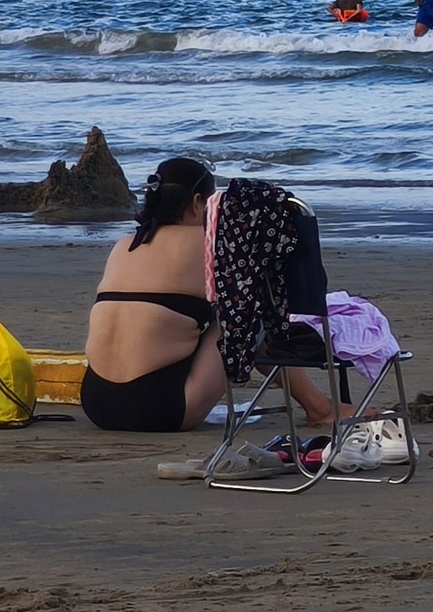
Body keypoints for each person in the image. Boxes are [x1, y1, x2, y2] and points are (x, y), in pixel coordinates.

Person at [80, 160, 341, 433]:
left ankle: (318, 406)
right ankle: (320, 408)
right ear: (197, 202)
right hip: (160, 410)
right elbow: (250, 311)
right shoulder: (209, 243)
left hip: (97, 403)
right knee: (250, 317)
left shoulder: (125, 245)